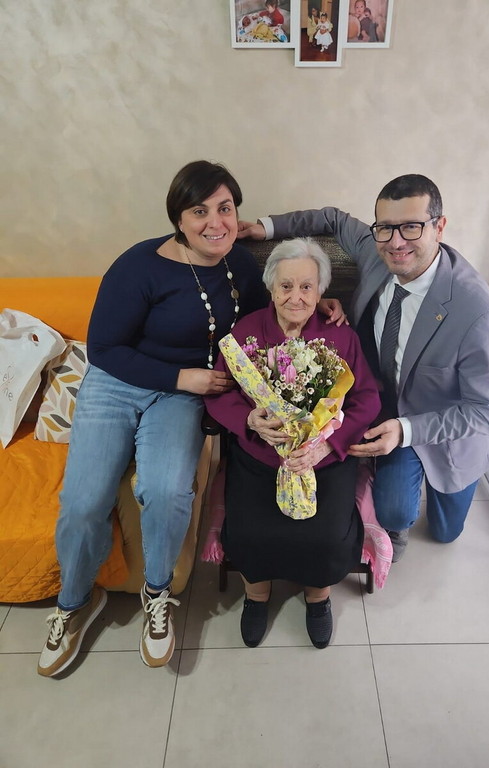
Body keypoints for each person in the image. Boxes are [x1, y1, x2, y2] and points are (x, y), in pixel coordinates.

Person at [37, 160, 344, 679]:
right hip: (118, 385)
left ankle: (157, 594)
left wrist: (317, 304)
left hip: (181, 398)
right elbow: (105, 350)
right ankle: (74, 602)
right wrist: (184, 377)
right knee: (84, 500)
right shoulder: (137, 265)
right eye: (199, 211)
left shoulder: (240, 265)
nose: (215, 222)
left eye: (225, 208)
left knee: (165, 489)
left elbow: (270, 314)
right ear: (178, 218)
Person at [237, 174, 489, 563]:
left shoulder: (477, 313)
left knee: (445, 531)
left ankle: (444, 492)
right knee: (395, 511)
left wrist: (407, 430)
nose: (396, 242)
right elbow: (331, 218)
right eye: (386, 227)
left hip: (442, 425)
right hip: (384, 405)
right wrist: (264, 227)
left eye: (412, 227)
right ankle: (397, 522)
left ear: (439, 227)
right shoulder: (377, 251)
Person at [205, 238, 380, 649]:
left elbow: (367, 399)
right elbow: (219, 393)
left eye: (306, 287)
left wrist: (327, 446)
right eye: (286, 286)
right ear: (271, 287)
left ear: (321, 292)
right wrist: (249, 419)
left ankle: (318, 598)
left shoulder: (340, 336)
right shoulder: (245, 335)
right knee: (249, 532)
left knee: (326, 535)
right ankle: (256, 596)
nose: (296, 297)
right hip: (260, 455)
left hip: (323, 460)